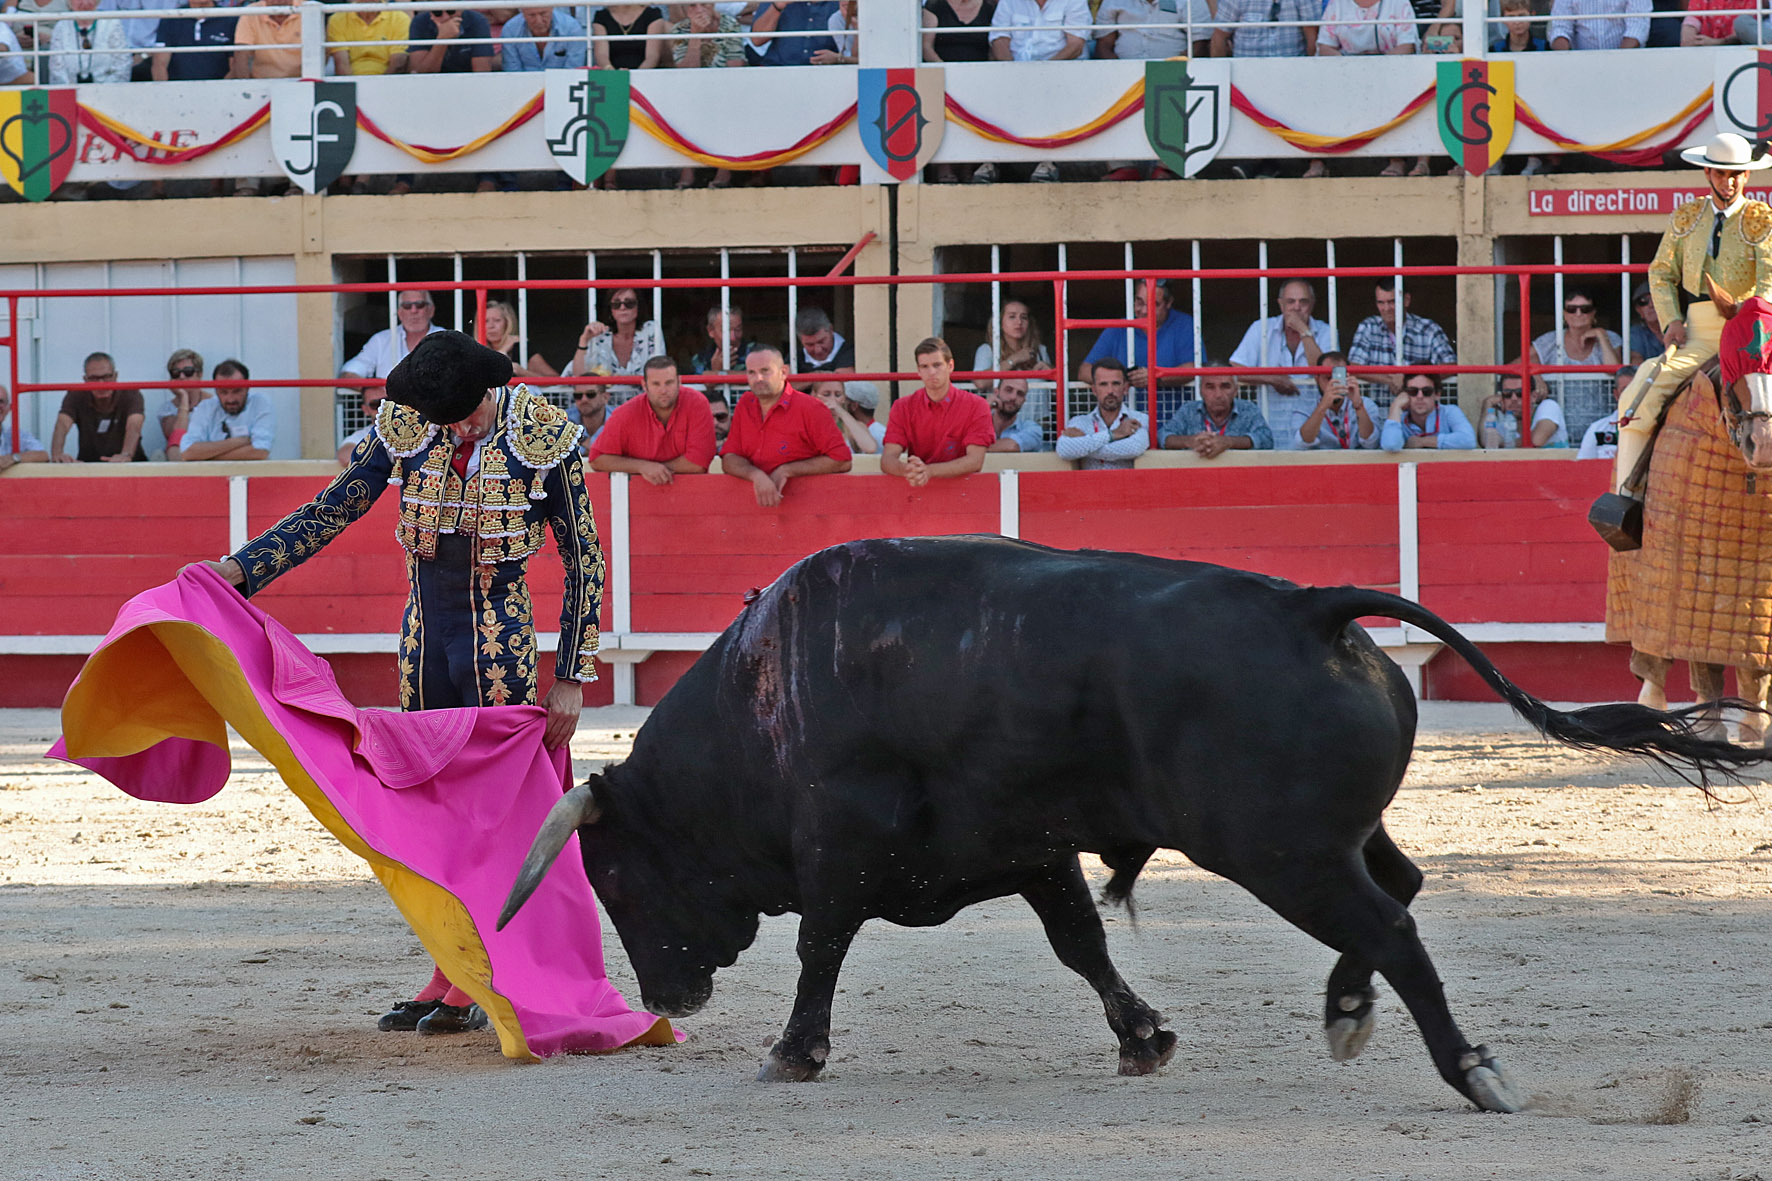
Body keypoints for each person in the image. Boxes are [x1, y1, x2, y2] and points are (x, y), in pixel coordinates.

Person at [200, 332, 600, 1038]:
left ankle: (480, 975)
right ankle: (450, 970)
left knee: (491, 815)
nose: (454, 430)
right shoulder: (410, 421)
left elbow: (584, 560)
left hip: (498, 645)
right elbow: (333, 507)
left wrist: (568, 674)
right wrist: (241, 570)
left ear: (489, 391)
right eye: (444, 420)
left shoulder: (543, 434)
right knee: (431, 807)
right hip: (422, 644)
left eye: (466, 416)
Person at [1613, 134, 1772, 495]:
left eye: (1737, 174)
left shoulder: (1764, 219)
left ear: (1747, 176)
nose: (1728, 182)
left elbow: (1769, 279)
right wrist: (1672, 320)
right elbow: (1661, 272)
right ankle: (1627, 499)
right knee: (1638, 394)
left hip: (1752, 335)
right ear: (1707, 173)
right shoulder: (1687, 217)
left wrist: (1752, 322)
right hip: (1699, 334)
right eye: (1720, 174)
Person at [719, 345, 851, 507]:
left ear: (784, 372)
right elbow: (729, 458)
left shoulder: (811, 408)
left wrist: (787, 470)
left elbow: (842, 460)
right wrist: (756, 476)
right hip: (752, 507)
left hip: (808, 509)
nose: (758, 378)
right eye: (751, 372)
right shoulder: (744, 404)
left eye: (765, 371)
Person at [983, 0, 1087, 184]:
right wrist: (1013, 70)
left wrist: (1042, 71)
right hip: (1013, 71)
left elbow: (1076, 45)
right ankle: (992, 160)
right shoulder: (1009, 2)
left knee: (1052, 97)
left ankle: (1048, 162)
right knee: (990, 96)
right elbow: (999, 38)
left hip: (1060, 72)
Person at [1317, 0, 1420, 179]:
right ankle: (1318, 162)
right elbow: (1324, 46)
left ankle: (1397, 161)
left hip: (1391, 73)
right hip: (1345, 74)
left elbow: (1407, 45)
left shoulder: (1399, 3)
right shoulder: (1337, 5)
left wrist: (1376, 66)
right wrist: (1350, 65)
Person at [1076, 280, 1197, 421]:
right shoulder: (1119, 328)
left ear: (1169, 303)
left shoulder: (1185, 325)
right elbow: (1084, 371)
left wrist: (1156, 377)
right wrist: (1119, 380)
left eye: (1153, 304)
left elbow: (1193, 368)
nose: (1144, 311)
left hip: (1175, 421)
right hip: (1124, 423)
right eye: (1139, 302)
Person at [881, 338, 994, 486]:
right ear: (919, 371)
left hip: (962, 492)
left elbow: (975, 461)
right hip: (919, 492)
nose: (931, 372)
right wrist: (908, 470)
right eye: (925, 366)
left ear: (950, 366)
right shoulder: (902, 406)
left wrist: (927, 471)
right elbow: (887, 459)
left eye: (937, 365)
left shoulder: (977, 405)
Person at [588, 356, 717, 484]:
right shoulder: (626, 413)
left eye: (669, 382)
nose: (663, 390)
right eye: (656, 384)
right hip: (639, 497)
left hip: (692, 493)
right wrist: (642, 466)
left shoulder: (697, 403)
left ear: (679, 381)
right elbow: (597, 459)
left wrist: (655, 469)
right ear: (644, 385)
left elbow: (698, 463)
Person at [672, 4, 746, 190]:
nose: (699, 9)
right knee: (683, 105)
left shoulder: (730, 25)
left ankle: (724, 168)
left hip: (726, 87)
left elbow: (735, 68)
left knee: (728, 104)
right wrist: (696, 34)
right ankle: (688, 169)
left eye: (704, 4)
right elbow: (686, 72)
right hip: (692, 89)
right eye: (692, 5)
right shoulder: (680, 30)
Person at [922, 0, 996, 183]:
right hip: (943, 77)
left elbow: (994, 47)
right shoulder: (934, 7)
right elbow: (926, 48)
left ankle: (969, 167)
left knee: (980, 109)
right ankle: (944, 166)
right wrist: (948, 73)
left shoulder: (990, 8)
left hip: (980, 78)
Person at [1345, 278, 1456, 394]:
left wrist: (1408, 379)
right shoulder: (1368, 327)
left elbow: (1450, 365)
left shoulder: (1428, 329)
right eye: (1381, 302)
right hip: (1378, 410)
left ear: (1406, 300)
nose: (1386, 309)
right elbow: (1352, 366)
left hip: (1420, 410)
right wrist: (1390, 380)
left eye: (1392, 302)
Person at [1229, 279, 1338, 397]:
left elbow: (1329, 374)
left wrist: (1303, 331)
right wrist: (1271, 378)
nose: (1297, 307)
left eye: (1303, 302)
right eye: (1291, 301)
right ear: (1281, 305)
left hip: (1315, 412)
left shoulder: (1327, 331)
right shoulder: (1261, 328)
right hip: (1270, 413)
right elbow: (1235, 369)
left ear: (1312, 304)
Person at [340, 291, 445, 411]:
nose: (413, 310)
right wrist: (371, 387)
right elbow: (348, 374)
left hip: (435, 414)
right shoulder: (381, 340)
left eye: (420, 304)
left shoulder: (446, 339)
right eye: (407, 306)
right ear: (399, 313)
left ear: (431, 310)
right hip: (391, 417)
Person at [168, 360, 274, 462]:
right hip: (214, 476)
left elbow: (260, 451)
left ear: (247, 388)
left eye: (237, 391)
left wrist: (207, 456)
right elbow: (187, 452)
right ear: (216, 390)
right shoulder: (205, 407)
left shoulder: (260, 402)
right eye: (223, 392)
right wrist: (240, 441)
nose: (230, 399)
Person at [1056, 357, 1150, 470]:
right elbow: (1064, 449)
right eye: (1103, 384)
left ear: (1125, 388)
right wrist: (1113, 434)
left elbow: (1135, 448)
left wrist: (1083, 445)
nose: (1110, 390)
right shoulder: (1080, 422)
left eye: (1115, 383)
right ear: (1094, 390)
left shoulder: (1140, 419)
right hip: (1089, 487)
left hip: (1127, 486)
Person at [1159, 364, 1275, 456]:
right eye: (1210, 387)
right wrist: (1191, 441)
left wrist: (1229, 442)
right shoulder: (1189, 410)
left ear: (1235, 390)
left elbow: (1266, 439)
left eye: (1225, 386)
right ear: (1200, 391)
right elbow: (1163, 436)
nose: (1218, 394)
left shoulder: (1248, 409)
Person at [51, 353, 144, 463]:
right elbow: (62, 424)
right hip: (88, 465)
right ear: (85, 379)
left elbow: (134, 426)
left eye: (106, 377)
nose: (101, 383)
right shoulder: (76, 395)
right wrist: (57, 454)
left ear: (115, 376)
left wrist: (125, 455)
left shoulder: (130, 393)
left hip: (131, 464)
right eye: (94, 378)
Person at [1296, 351, 1378, 450]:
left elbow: (1372, 443)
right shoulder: (1304, 407)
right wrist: (1323, 406)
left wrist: (1358, 406)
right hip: (1323, 464)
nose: (1335, 383)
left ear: (1348, 376)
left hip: (1356, 463)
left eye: (1340, 378)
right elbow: (1302, 443)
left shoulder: (1365, 404)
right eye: (1329, 378)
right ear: (1317, 379)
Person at [1379, 371, 1476, 451]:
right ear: (1405, 395)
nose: (1420, 396)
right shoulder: (1399, 419)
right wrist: (1395, 406)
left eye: (1426, 391)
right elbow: (1390, 445)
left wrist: (1422, 441)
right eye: (1413, 391)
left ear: (1437, 394)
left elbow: (1468, 440)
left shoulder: (1450, 411)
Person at [46, 0, 131, 84]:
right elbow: (57, 71)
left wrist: (101, 92)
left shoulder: (112, 24)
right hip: (69, 93)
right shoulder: (61, 27)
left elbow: (122, 67)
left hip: (107, 92)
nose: (85, 3)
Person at [1478, 370, 1567, 449]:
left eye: (1520, 393)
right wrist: (1487, 405)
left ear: (1534, 396)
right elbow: (1486, 442)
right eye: (1507, 394)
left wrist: (1503, 443)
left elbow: (1536, 440)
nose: (1514, 398)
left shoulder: (1548, 406)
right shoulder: (1506, 425)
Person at [152, 0, 237, 81]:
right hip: (177, 91)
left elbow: (235, 65)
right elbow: (160, 64)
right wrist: (166, 91)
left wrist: (220, 91)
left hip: (221, 91)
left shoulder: (230, 18)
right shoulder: (171, 18)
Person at [327, 0, 409, 77]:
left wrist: (380, 86)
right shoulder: (337, 19)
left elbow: (398, 63)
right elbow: (341, 64)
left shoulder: (400, 18)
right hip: (352, 83)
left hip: (387, 83)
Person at [1212, 0, 1319, 58]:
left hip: (1292, 71)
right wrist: (1219, 72)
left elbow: (1312, 38)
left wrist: (1309, 69)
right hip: (1245, 73)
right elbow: (1219, 36)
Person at [406, 5, 495, 74]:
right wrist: (442, 39)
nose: (445, 17)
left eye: (451, 11)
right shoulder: (420, 22)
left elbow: (482, 72)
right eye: (437, 12)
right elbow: (421, 74)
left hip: (469, 87)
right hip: (430, 87)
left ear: (461, 8)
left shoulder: (477, 20)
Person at [745, 0, 837, 66]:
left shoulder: (840, 3)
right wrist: (777, 7)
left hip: (827, 72)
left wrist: (838, 58)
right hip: (778, 69)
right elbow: (757, 40)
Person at [501, 5, 588, 70]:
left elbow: (573, 70)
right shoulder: (510, 29)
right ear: (522, 12)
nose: (538, 21)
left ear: (552, 9)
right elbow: (512, 70)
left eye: (543, 14)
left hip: (562, 85)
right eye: (532, 15)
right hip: (523, 86)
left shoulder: (571, 28)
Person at [813, 379, 882, 455]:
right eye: (826, 394)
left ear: (843, 398)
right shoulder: (808, 423)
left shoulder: (855, 425)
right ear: (815, 396)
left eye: (838, 395)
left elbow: (870, 448)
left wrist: (840, 411)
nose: (832, 399)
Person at [156, 348, 209, 443]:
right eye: (176, 373)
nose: (181, 377)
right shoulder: (167, 409)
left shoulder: (214, 402)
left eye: (188, 372)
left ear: (200, 375)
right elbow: (176, 438)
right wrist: (184, 398)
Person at [593, 3, 670, 68]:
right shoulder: (601, 16)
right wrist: (614, 74)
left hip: (645, 76)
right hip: (612, 77)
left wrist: (636, 76)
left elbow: (652, 56)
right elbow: (601, 55)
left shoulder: (653, 14)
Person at [1577, 366, 1630, 459]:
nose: (1631, 394)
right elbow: (1583, 467)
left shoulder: (1654, 428)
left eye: (1636, 389)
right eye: (1625, 390)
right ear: (1616, 395)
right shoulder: (1597, 429)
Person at [1549, 0, 1649, 48]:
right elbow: (1560, 28)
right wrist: (1565, 61)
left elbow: (1637, 29)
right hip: (1579, 65)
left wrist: (1618, 62)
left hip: (1628, 64)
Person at [984, 374, 1046, 452]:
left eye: (1020, 394)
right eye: (1009, 390)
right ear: (996, 392)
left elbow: (1012, 446)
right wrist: (984, 409)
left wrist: (974, 449)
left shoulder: (1033, 429)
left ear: (1023, 401)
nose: (1013, 397)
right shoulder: (979, 423)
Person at [0, 383, 48, 472]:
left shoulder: (13, 435)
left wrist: (13, 458)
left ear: (9, 408)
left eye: (1, 401)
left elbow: (43, 455)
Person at [795, 306, 855, 373]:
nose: (818, 350)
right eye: (810, 345)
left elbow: (843, 377)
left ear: (831, 329)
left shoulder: (850, 352)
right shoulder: (794, 358)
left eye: (821, 341)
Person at [337, 385, 385, 465]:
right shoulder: (363, 434)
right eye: (374, 404)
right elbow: (345, 456)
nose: (382, 407)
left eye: (386, 401)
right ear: (365, 409)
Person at [1627, 281, 1664, 363]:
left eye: (1656, 299)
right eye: (1643, 301)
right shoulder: (1636, 332)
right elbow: (1636, 361)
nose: (1651, 305)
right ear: (1639, 310)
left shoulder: (1683, 327)